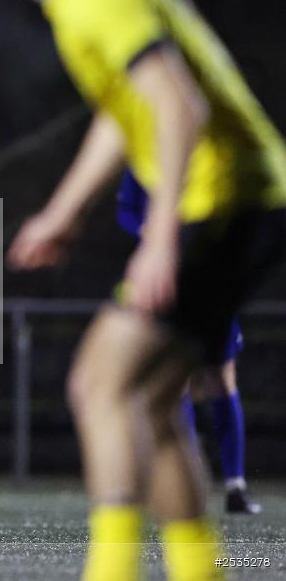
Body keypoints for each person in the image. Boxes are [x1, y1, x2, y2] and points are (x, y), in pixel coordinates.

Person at [8, 0, 286, 579]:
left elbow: (180, 105)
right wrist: (64, 211)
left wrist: (159, 240)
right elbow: (126, 109)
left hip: (224, 203)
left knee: (102, 383)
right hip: (246, 200)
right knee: (153, 402)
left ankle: (111, 571)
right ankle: (200, 571)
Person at [118, 169, 261, 515]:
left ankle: (232, 484)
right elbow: (127, 210)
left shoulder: (203, 148)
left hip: (206, 275)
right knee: (177, 384)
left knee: (216, 380)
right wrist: (148, 233)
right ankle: (197, 477)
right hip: (170, 277)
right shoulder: (143, 159)